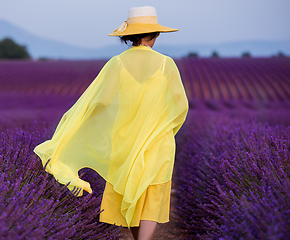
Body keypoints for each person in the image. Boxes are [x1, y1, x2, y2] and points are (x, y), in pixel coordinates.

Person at [34, 6, 188, 240]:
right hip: (158, 140)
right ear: (155, 35)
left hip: (124, 138)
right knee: (151, 193)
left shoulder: (116, 63)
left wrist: (88, 127)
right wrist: (165, 130)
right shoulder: (167, 64)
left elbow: (101, 101)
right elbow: (181, 106)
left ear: (129, 36)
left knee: (131, 191)